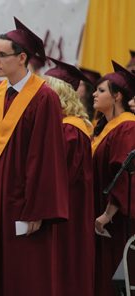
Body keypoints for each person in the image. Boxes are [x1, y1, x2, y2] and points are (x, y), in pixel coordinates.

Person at [0, 18, 69, 296]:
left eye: (2, 55)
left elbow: (45, 158)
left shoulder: (44, 98)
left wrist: (37, 209)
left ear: (22, 57)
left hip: (22, 202)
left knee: (22, 273)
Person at [44, 58, 95, 296]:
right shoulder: (67, 126)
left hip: (66, 210)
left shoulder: (70, 129)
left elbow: (59, 174)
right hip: (66, 206)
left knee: (65, 263)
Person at [92, 61, 135, 296]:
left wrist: (107, 215)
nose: (94, 94)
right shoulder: (104, 129)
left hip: (116, 222)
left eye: (101, 90)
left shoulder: (127, 127)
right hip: (101, 218)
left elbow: (124, 174)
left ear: (117, 96)